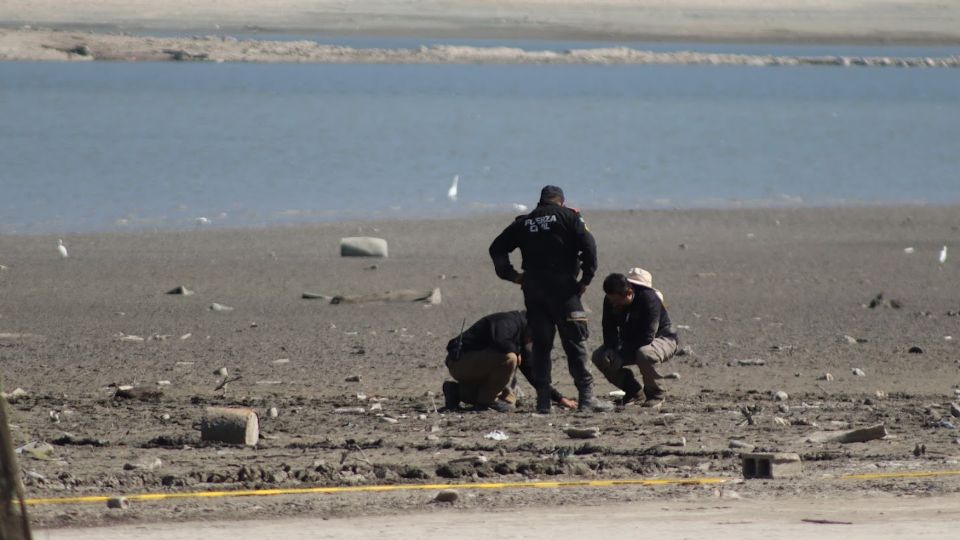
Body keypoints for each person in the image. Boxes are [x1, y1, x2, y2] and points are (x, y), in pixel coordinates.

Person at [489, 185, 613, 414]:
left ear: (541, 201)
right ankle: (586, 399)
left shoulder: (524, 222)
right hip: (563, 290)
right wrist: (586, 278)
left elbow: (496, 248)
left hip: (534, 290)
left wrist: (512, 275)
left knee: (541, 346)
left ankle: (543, 402)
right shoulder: (569, 217)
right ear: (561, 202)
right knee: (575, 341)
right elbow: (589, 246)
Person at [442, 311, 577, 412]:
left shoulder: (522, 339)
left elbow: (533, 375)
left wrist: (560, 398)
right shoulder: (508, 321)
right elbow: (499, 340)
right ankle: (485, 402)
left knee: (509, 401)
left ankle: (456, 391)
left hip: (477, 366)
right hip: (460, 363)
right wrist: (516, 352)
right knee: (509, 358)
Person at [592, 269, 679, 409]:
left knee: (644, 354)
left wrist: (621, 354)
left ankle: (656, 394)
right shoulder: (611, 300)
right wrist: (611, 348)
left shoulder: (649, 298)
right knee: (599, 356)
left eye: (617, 301)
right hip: (629, 342)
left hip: (663, 339)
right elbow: (608, 328)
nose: (614, 304)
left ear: (628, 293)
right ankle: (634, 392)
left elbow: (647, 337)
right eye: (611, 300)